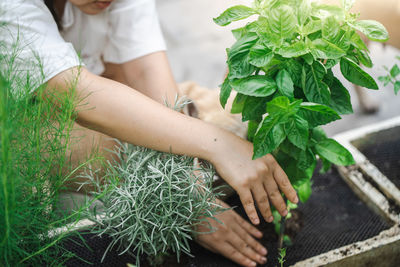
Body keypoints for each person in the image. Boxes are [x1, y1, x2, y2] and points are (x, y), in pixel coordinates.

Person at [0, 1, 298, 266]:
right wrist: (195, 189)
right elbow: (77, 94)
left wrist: (192, 184)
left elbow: (147, 75)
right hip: (26, 132)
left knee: (223, 130)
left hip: (100, 99)